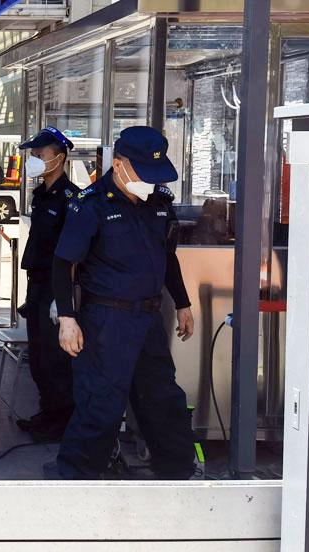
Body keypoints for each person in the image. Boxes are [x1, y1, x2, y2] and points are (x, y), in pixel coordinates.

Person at [47, 126, 196, 480]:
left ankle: (177, 475)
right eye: (144, 172)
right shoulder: (90, 204)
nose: (150, 181)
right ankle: (77, 478)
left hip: (148, 319)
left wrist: (183, 303)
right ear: (118, 165)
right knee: (101, 403)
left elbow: (166, 256)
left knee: (162, 398)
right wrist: (67, 317)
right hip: (106, 321)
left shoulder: (158, 202)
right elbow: (63, 263)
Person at [15, 127, 77, 443]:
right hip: (37, 283)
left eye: (40, 155)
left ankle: (61, 421)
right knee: (38, 356)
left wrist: (62, 299)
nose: (35, 160)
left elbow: (74, 252)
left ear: (59, 158)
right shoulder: (41, 194)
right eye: (34, 155)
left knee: (55, 359)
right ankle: (46, 411)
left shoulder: (72, 198)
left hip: (56, 287)